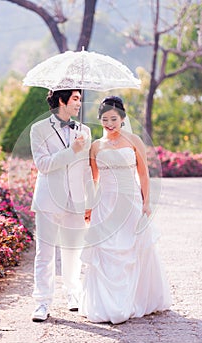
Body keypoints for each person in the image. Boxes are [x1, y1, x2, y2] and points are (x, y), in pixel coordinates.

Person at [79, 96, 172, 324]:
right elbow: (94, 179)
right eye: (104, 119)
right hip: (105, 206)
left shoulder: (134, 141)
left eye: (113, 119)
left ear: (122, 118)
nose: (109, 123)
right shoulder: (96, 146)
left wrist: (146, 203)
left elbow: (143, 174)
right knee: (105, 252)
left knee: (131, 251)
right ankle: (106, 304)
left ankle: (133, 300)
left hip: (130, 203)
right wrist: (89, 205)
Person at [30, 89, 92, 322]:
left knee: (73, 252)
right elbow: (44, 165)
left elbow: (86, 168)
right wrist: (71, 151)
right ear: (61, 101)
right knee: (44, 253)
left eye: (79, 98)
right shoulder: (39, 130)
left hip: (75, 200)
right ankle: (42, 303)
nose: (79, 103)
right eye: (75, 98)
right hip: (48, 200)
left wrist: (89, 200)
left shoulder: (85, 131)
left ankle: (73, 294)